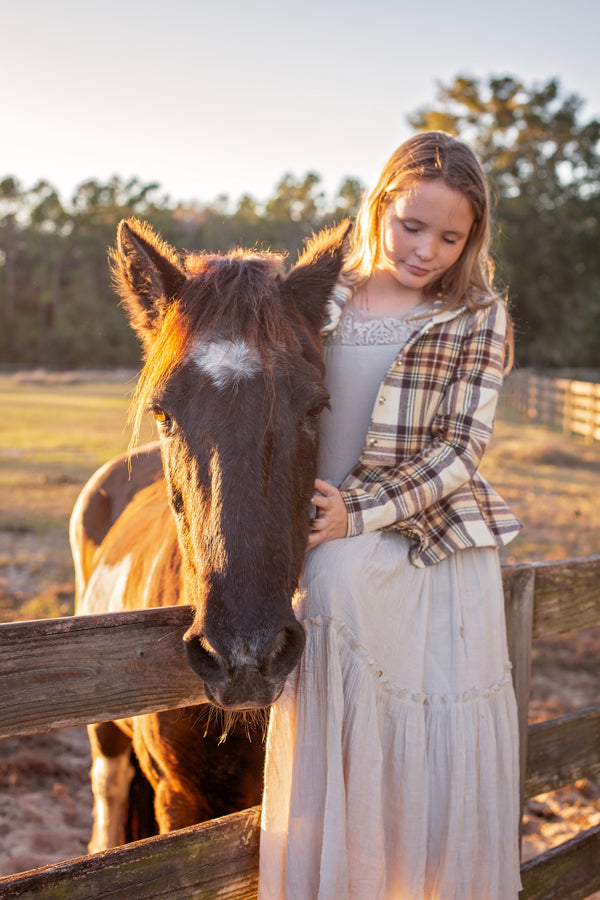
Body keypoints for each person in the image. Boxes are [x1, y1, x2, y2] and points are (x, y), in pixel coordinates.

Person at [258, 131, 523, 900]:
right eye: (412, 225)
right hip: (318, 515)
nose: (426, 250)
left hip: (418, 534)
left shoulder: (476, 314)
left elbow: (460, 449)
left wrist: (360, 511)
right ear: (381, 205)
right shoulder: (321, 296)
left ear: (472, 237)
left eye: (451, 236)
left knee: (337, 587)